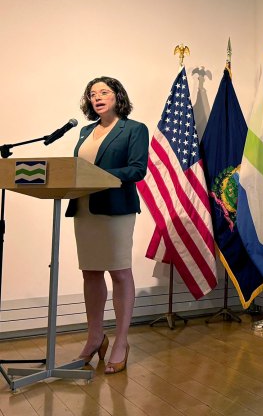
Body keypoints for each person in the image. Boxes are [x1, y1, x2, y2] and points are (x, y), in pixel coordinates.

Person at [65, 76, 148, 375]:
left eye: (104, 92)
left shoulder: (134, 129)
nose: (97, 97)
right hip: (85, 208)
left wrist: (96, 173)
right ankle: (95, 338)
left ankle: (121, 342)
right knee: (90, 272)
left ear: (117, 96)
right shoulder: (86, 131)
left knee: (120, 272)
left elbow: (137, 169)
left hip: (116, 209)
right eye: (92, 93)